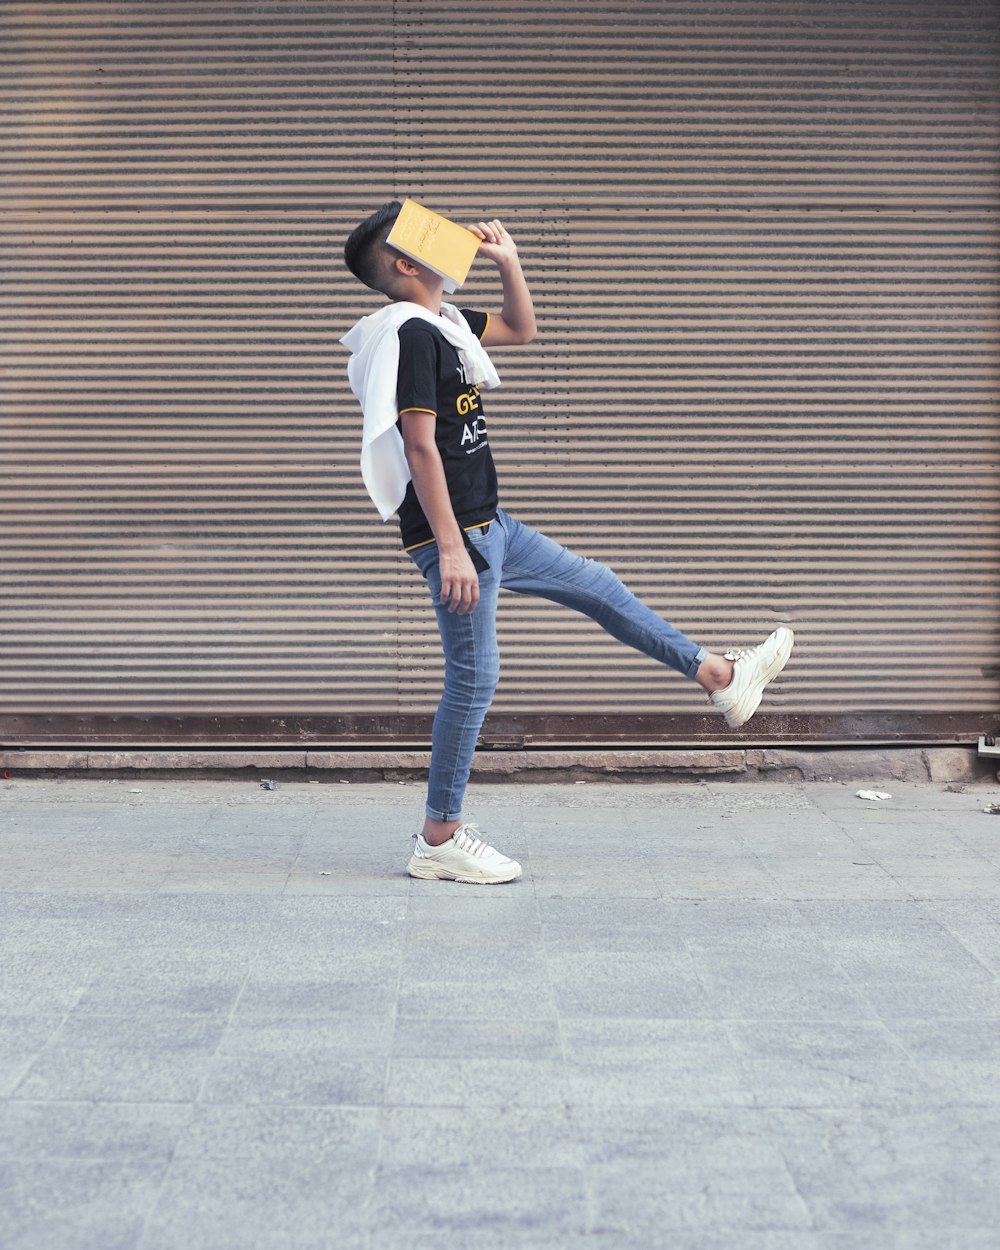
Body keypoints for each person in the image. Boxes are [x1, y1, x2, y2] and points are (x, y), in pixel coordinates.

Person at [341, 200, 793, 885]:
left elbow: (521, 329)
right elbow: (418, 445)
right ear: (406, 263)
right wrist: (453, 547)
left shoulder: (442, 322)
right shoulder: (409, 334)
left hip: (492, 525)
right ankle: (440, 836)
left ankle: (721, 679)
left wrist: (509, 261)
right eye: (427, 231)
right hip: (461, 534)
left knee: (597, 585)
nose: (447, 234)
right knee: (475, 677)